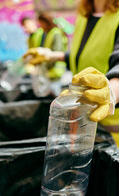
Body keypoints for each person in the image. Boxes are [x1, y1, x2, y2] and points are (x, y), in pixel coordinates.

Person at [24, 0, 119, 146]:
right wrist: (53, 55)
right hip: (82, 119)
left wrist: (111, 93)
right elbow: (82, 57)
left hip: (112, 129)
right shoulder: (84, 16)